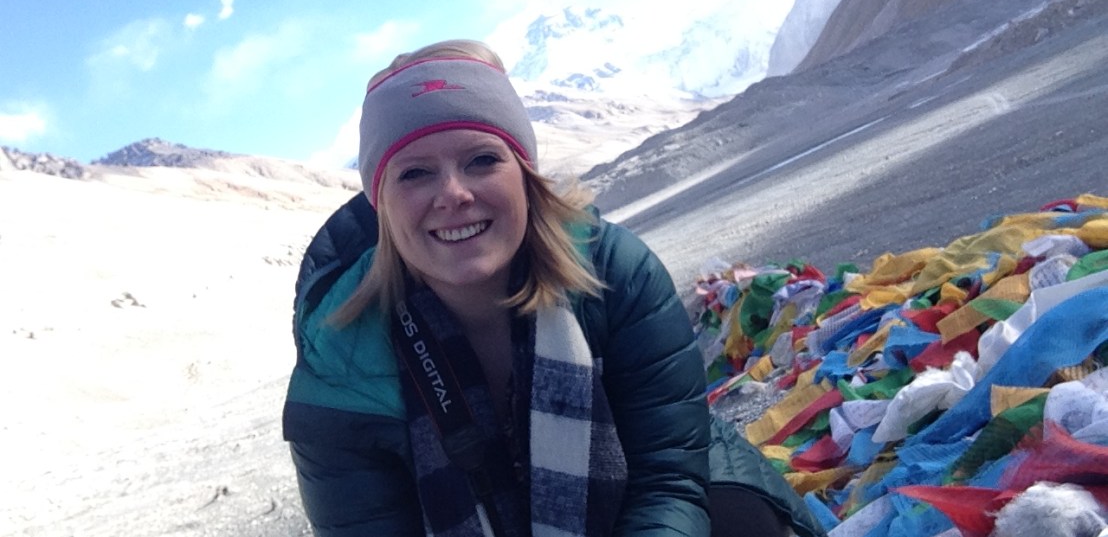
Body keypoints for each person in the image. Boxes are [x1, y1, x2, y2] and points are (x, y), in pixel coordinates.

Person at [282, 39, 823, 537]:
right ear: (380, 205)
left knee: (735, 515)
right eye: (414, 174)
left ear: (524, 174)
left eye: (481, 160)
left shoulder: (615, 275)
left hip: (660, 511)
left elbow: (667, 482)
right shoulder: (340, 362)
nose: (453, 194)